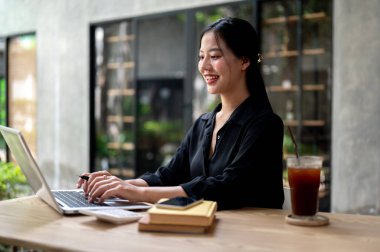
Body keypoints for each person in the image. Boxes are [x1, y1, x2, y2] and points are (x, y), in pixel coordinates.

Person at [77, 17, 284, 210]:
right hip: (200, 234)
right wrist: (118, 184)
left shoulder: (265, 124)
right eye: (201, 57)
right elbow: (169, 175)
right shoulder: (203, 124)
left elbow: (227, 186)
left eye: (214, 56)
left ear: (244, 61)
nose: (204, 66)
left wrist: (137, 192)